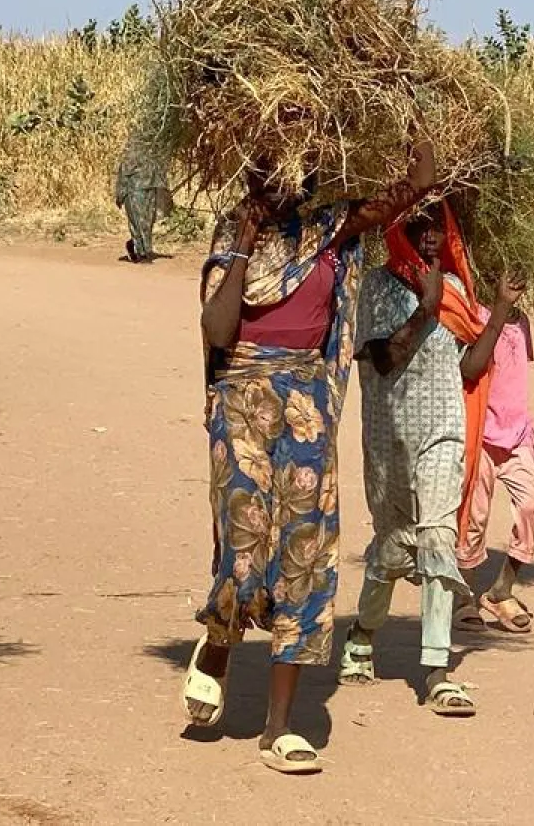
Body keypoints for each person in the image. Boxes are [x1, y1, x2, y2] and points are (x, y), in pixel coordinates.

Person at [183, 142, 437, 774]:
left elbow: (418, 182)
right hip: (242, 396)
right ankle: (219, 642)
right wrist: (244, 242)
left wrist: (402, 97)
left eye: (296, 167)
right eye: (270, 167)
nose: (283, 179)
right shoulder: (234, 229)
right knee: (244, 542)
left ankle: (278, 728)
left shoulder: (333, 228)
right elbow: (217, 330)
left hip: (309, 401)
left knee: (304, 547)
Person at [338, 200, 523, 716]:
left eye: (437, 227)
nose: (430, 237)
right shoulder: (378, 287)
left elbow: (470, 368)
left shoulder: (457, 292)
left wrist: (501, 309)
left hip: (444, 436)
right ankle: (361, 634)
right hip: (390, 440)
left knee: (438, 541)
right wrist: (425, 306)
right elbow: (381, 357)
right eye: (417, 226)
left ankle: (438, 671)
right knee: (394, 549)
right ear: (398, 230)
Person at [454, 303, 534, 633]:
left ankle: (501, 590)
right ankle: (464, 596)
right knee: (473, 517)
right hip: (478, 432)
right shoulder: (473, 315)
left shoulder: (522, 319)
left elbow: (517, 373)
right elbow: (469, 368)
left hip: (517, 433)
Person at [115, 132, 173, 263]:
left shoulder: (152, 156)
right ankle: (142, 252)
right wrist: (120, 195)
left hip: (149, 191)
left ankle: (139, 247)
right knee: (138, 223)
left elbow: (159, 172)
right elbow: (122, 177)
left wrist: (164, 190)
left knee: (147, 223)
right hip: (134, 193)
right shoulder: (129, 158)